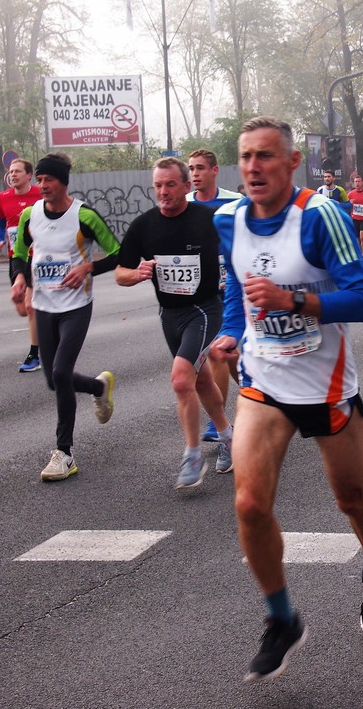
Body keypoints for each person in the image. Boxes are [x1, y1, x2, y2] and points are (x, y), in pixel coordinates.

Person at [210, 116, 363, 681]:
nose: (253, 167)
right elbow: (241, 293)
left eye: (266, 156)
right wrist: (231, 333)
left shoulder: (319, 216)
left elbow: (361, 301)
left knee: (351, 498)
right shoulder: (228, 219)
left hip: (326, 383)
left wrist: (295, 301)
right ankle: (281, 617)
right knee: (248, 504)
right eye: (245, 157)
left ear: (292, 163)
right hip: (264, 382)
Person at [116, 158, 234, 488]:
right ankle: (227, 436)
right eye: (158, 186)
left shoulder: (209, 219)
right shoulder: (144, 225)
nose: (164, 192)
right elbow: (120, 273)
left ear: (186, 186)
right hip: (170, 314)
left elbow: (242, 250)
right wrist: (136, 274)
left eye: (170, 184)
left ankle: (193, 455)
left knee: (182, 379)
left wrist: (235, 279)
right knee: (200, 381)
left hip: (206, 309)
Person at [10, 153, 119, 481]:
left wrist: (89, 266)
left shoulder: (84, 216)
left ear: (63, 182)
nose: (42, 185)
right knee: (52, 379)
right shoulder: (30, 215)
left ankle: (64, 453)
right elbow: (17, 254)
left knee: (59, 372)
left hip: (75, 305)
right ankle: (98, 387)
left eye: (48, 180)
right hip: (43, 306)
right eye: (39, 180)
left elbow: (118, 253)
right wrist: (19, 280)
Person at [186, 149, 241, 444]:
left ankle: (215, 422)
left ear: (214, 170)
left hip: (230, 288)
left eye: (200, 168)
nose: (194, 174)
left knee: (217, 353)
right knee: (231, 358)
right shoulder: (184, 205)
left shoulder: (234, 202)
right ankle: (259, 395)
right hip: (199, 292)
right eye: (191, 169)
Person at [0, 158, 43, 372]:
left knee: (31, 306)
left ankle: (35, 355)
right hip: (16, 256)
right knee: (22, 308)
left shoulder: (39, 195)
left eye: (17, 171)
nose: (13, 175)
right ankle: (47, 320)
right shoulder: (2, 197)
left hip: (37, 256)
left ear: (28, 175)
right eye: (11, 172)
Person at [348, 174, 363, 265]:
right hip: (355, 218)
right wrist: (349, 203)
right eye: (355, 182)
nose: (357, 183)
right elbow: (346, 204)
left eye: (359, 181)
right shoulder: (350, 194)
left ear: (362, 182)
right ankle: (362, 254)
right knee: (357, 239)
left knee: (362, 236)